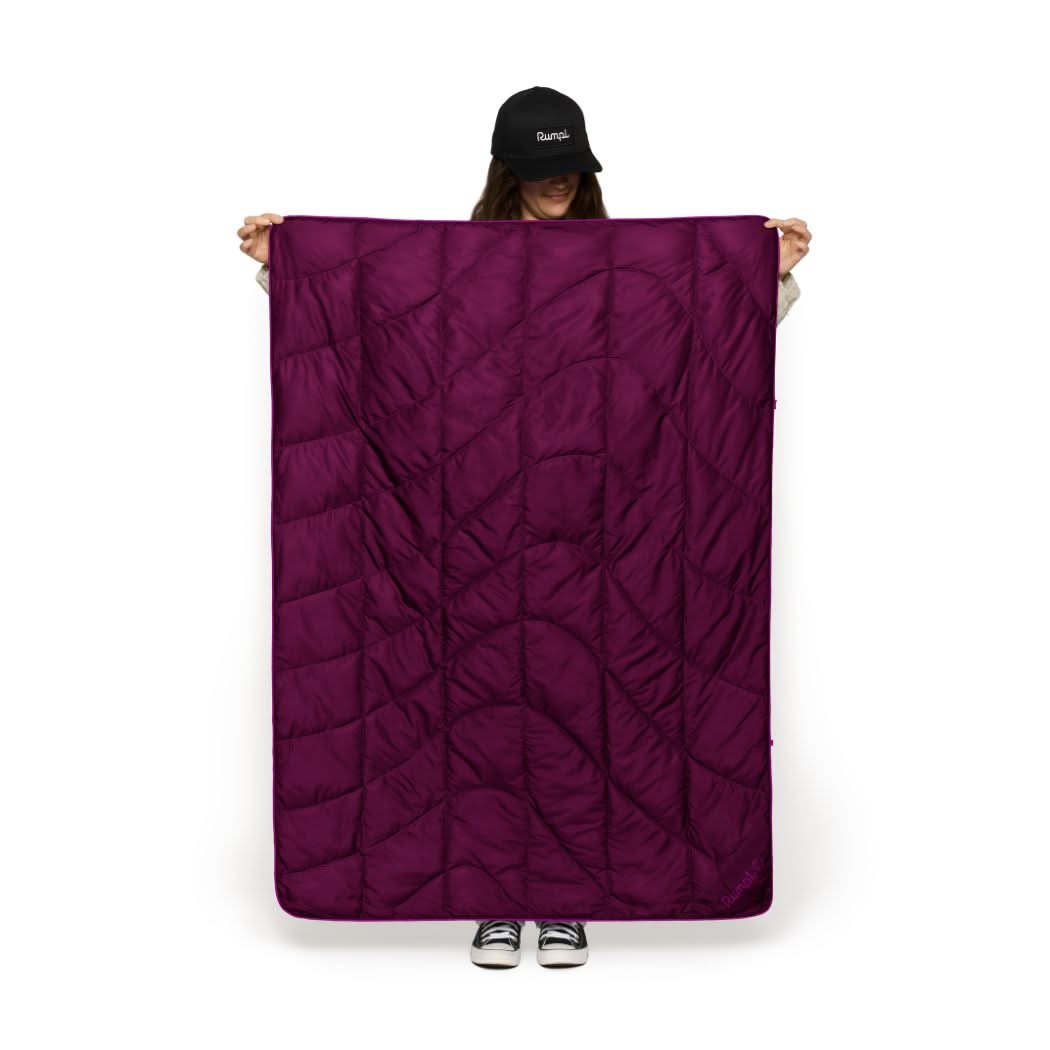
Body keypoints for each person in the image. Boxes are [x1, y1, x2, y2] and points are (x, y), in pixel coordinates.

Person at [238, 85, 810, 971]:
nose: (558, 182)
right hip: (468, 530)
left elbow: (706, 331)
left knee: (583, 710)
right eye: (543, 168)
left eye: (569, 167)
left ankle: (571, 901)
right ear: (509, 171)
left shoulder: (632, 268)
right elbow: (370, 320)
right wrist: (287, 267)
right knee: (475, 715)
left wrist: (769, 274)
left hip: (599, 533)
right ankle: (493, 900)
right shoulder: (450, 268)